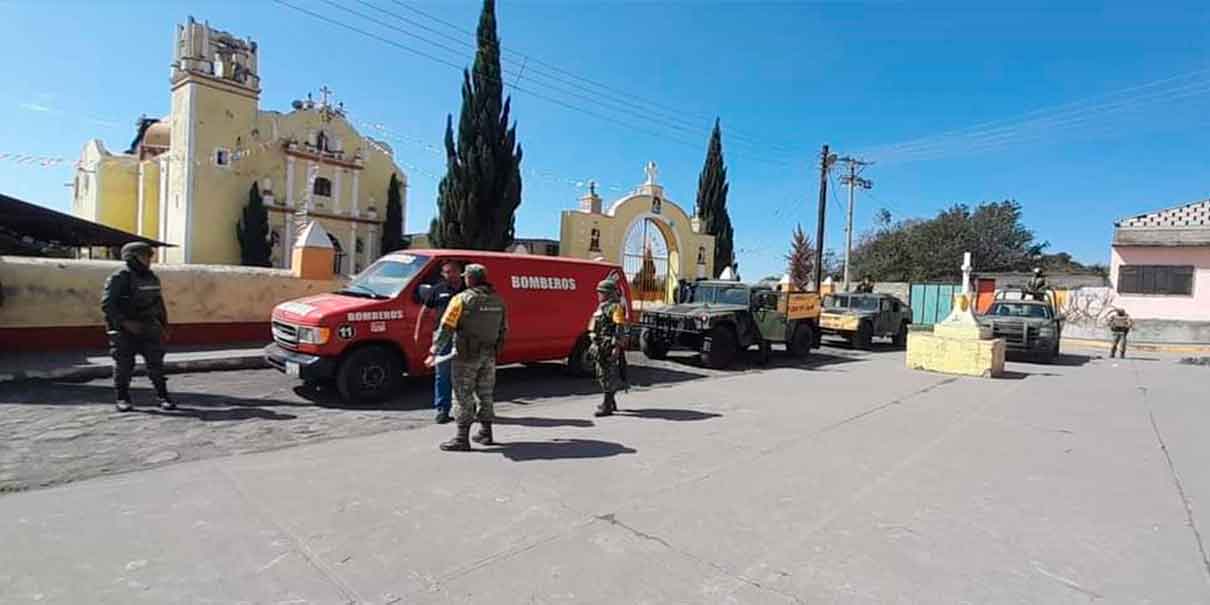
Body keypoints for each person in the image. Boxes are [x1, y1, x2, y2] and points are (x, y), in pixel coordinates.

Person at [426, 264, 508, 452]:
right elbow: (504, 329)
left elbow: (446, 327)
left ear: (470, 279)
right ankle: (486, 433)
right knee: (485, 394)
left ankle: (462, 438)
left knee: (462, 395)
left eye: (465, 277)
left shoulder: (461, 299)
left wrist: (434, 351)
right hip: (489, 355)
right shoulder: (498, 300)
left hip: (466, 355)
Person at [101, 242, 173, 412]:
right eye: (144, 256)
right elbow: (107, 305)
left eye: (149, 256)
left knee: (156, 364)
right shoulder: (119, 277)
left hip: (149, 326)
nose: (148, 260)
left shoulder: (151, 277)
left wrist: (164, 326)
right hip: (125, 329)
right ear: (131, 257)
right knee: (124, 366)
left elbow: (159, 303)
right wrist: (125, 323)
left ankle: (164, 397)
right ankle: (123, 398)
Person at [414, 260, 464, 424]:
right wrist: (418, 331)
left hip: (465, 336)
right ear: (443, 274)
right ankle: (442, 410)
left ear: (460, 272)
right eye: (447, 272)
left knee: (465, 373)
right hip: (442, 337)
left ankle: (465, 410)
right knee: (442, 374)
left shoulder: (469, 290)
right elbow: (425, 311)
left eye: (453, 271)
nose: (450, 275)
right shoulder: (438, 290)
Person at [589, 278, 629, 417]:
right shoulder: (603, 306)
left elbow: (619, 327)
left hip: (608, 346)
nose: (598, 295)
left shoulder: (615, 308)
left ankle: (607, 406)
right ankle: (610, 402)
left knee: (607, 375)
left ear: (608, 293)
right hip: (601, 345)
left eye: (601, 292)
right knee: (602, 374)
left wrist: (616, 348)